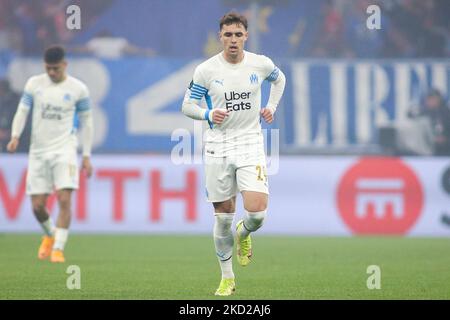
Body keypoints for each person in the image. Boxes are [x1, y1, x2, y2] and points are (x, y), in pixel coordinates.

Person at [181, 12, 286, 296]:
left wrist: (271, 107)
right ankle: (227, 277)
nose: (233, 40)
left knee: (257, 214)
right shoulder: (206, 70)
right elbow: (187, 105)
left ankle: (244, 233)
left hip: (250, 144)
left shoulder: (260, 63)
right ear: (220, 37)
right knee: (222, 217)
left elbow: (280, 79)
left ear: (246, 36)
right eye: (228, 35)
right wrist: (207, 113)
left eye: (238, 34)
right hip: (218, 147)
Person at [6, 45, 94, 263]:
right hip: (38, 151)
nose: (52, 73)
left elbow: (88, 122)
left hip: (65, 149)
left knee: (64, 199)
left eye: (55, 68)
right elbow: (23, 110)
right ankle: (49, 234)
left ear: (64, 65)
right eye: (48, 69)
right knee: (37, 206)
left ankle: (58, 249)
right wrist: (15, 135)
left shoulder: (78, 89)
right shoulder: (34, 84)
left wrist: (86, 155)